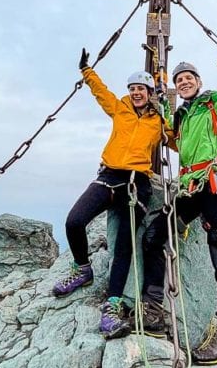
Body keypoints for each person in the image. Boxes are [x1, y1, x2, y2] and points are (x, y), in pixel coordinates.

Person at [138, 52, 217, 362]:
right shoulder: (183, 117)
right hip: (191, 186)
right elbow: (172, 134)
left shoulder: (216, 103)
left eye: (188, 78)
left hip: (216, 182)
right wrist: (161, 103)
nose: (183, 83)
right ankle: (154, 308)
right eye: (180, 80)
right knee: (154, 234)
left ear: (198, 82)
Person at [52, 48, 163, 340]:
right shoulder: (120, 108)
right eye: (132, 88)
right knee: (74, 221)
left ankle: (112, 307)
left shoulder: (158, 121)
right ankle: (82, 268)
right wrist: (87, 71)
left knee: (124, 246)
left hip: (138, 182)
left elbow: (179, 139)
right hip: (110, 175)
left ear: (151, 92)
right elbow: (101, 92)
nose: (136, 93)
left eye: (141, 89)